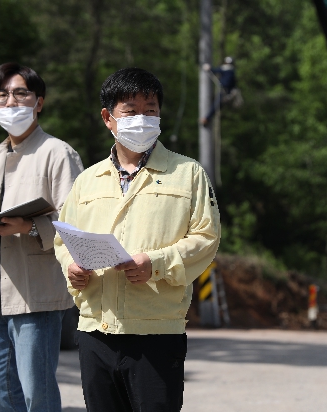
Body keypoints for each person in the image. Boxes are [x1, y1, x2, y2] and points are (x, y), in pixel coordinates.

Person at [54, 67, 221, 411]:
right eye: (130, 110)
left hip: (156, 333)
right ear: (108, 118)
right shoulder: (87, 180)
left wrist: (156, 264)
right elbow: (65, 238)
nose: (142, 119)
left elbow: (206, 238)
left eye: (151, 110)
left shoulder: (187, 173)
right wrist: (72, 267)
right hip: (95, 329)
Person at [0, 62, 83, 412]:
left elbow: (76, 220)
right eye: (2, 95)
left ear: (39, 102)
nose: (11, 102)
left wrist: (29, 227)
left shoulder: (57, 153)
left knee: (37, 391)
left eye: (21, 94)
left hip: (35, 291)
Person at [201, 56, 238, 126]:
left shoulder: (226, 69)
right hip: (225, 92)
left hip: (225, 92)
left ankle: (207, 119)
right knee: (217, 105)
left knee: (217, 105)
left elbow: (214, 70)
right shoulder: (230, 71)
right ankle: (207, 119)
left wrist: (208, 68)